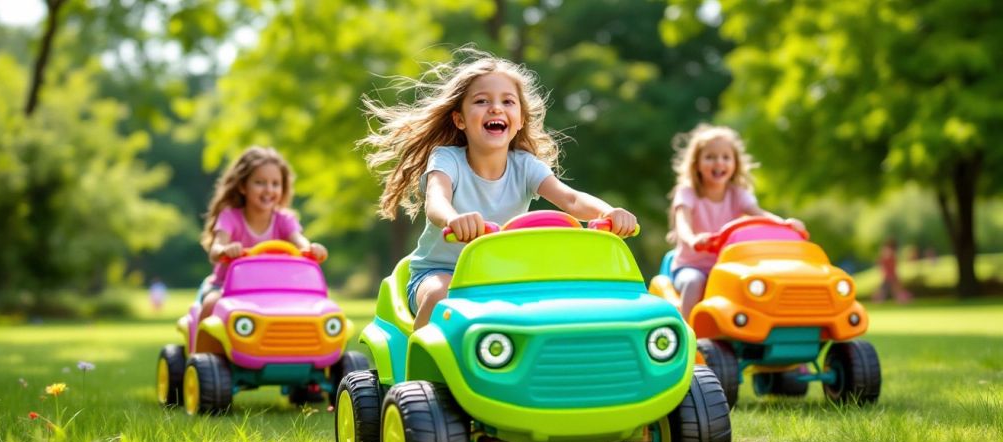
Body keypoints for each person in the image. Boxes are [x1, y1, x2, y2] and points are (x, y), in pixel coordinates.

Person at [359, 49, 638, 329]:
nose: (495, 108)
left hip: (498, 276)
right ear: (460, 120)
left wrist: (608, 212)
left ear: (519, 120)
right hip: (439, 272)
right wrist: (454, 219)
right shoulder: (447, 159)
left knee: (553, 302)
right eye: (481, 101)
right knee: (441, 296)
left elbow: (571, 199)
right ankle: (417, 365)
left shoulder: (525, 166)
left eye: (508, 101)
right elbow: (436, 201)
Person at [666, 123, 804, 318]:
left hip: (727, 266)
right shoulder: (688, 193)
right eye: (710, 157)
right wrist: (693, 240)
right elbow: (683, 225)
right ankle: (689, 332)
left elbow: (758, 214)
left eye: (725, 157)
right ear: (696, 163)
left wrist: (784, 224)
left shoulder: (737, 194)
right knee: (694, 281)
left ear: (735, 164)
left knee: (756, 284)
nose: (719, 162)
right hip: (692, 265)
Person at [198, 146, 328, 317]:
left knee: (314, 307)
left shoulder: (284, 219)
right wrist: (225, 250)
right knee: (211, 303)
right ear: (243, 186)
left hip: (272, 289)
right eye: (260, 182)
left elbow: (299, 242)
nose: (268, 189)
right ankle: (201, 345)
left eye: (275, 184)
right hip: (226, 288)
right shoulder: (230, 217)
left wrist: (311, 250)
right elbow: (215, 250)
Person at [875, 237, 911, 303]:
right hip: (890, 275)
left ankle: (903, 300)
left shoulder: (886, 251)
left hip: (889, 274)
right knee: (890, 290)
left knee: (888, 290)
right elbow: (885, 262)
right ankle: (903, 300)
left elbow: (881, 262)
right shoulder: (888, 252)